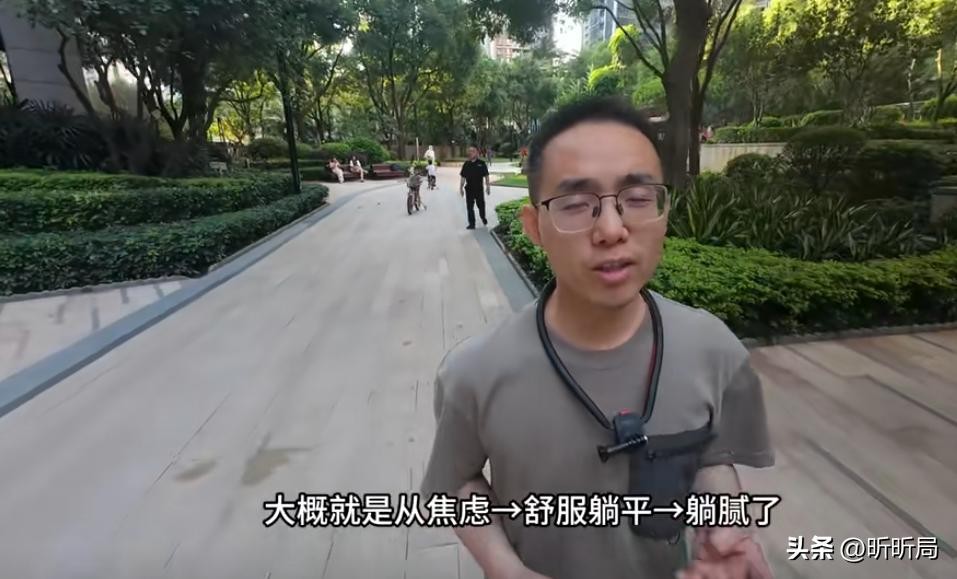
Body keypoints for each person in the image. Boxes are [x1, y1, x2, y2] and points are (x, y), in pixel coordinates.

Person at [420, 96, 775, 579]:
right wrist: (506, 569)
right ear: (534, 227)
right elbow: (455, 484)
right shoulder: (475, 372)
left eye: (638, 199)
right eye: (575, 205)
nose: (611, 229)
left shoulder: (714, 350)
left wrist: (724, 530)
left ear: (664, 211)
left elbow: (712, 457)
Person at [459, 145, 490, 230]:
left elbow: (486, 176)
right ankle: (472, 224)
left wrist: (488, 186)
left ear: (477, 152)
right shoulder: (466, 164)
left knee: (481, 206)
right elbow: (463, 177)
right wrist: (461, 188)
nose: (470, 153)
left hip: (479, 189)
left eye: (473, 151)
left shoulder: (482, 163)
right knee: (470, 207)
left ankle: (483, 217)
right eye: (469, 151)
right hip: (469, 189)